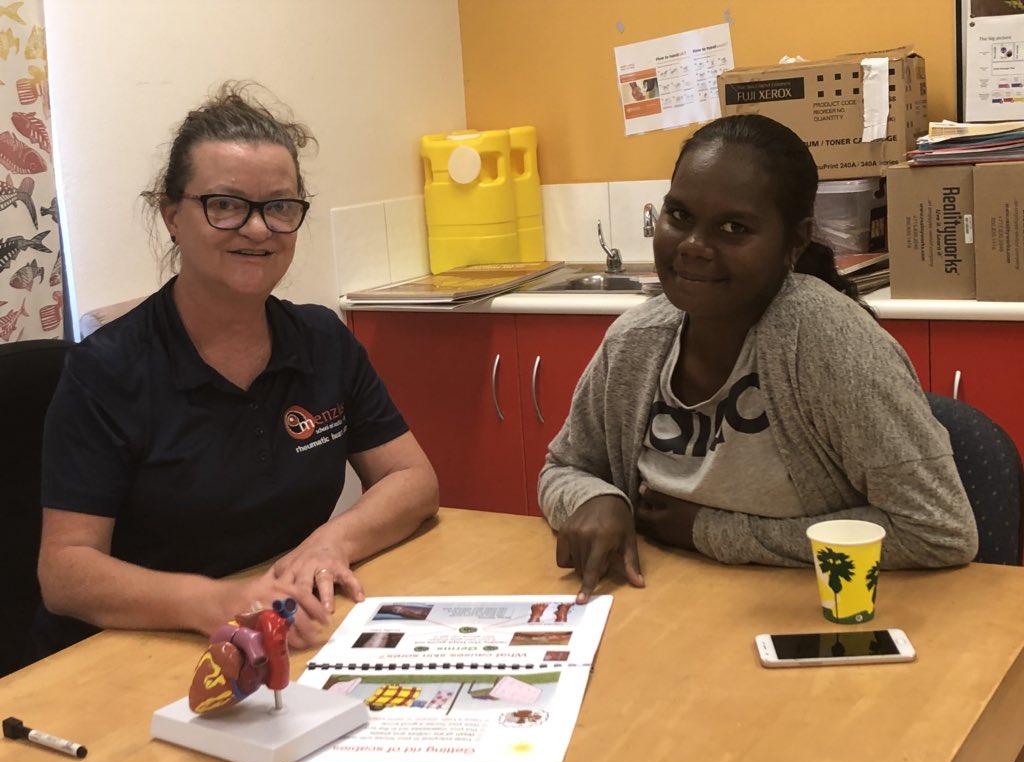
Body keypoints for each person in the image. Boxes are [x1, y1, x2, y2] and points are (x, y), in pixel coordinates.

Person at [31, 82, 439, 659]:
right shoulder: (107, 371)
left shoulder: (322, 338)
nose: (257, 228)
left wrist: (330, 543)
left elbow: (414, 480)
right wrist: (216, 603)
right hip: (131, 651)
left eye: (279, 206)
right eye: (224, 204)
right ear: (171, 215)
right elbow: (66, 573)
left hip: (278, 632)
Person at [539, 114, 978, 604]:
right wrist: (595, 497)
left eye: (734, 228)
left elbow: (938, 531)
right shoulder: (634, 341)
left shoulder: (829, 344)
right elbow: (564, 467)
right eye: (679, 216)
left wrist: (713, 532)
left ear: (793, 242)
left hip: (806, 615)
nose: (693, 247)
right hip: (659, 612)